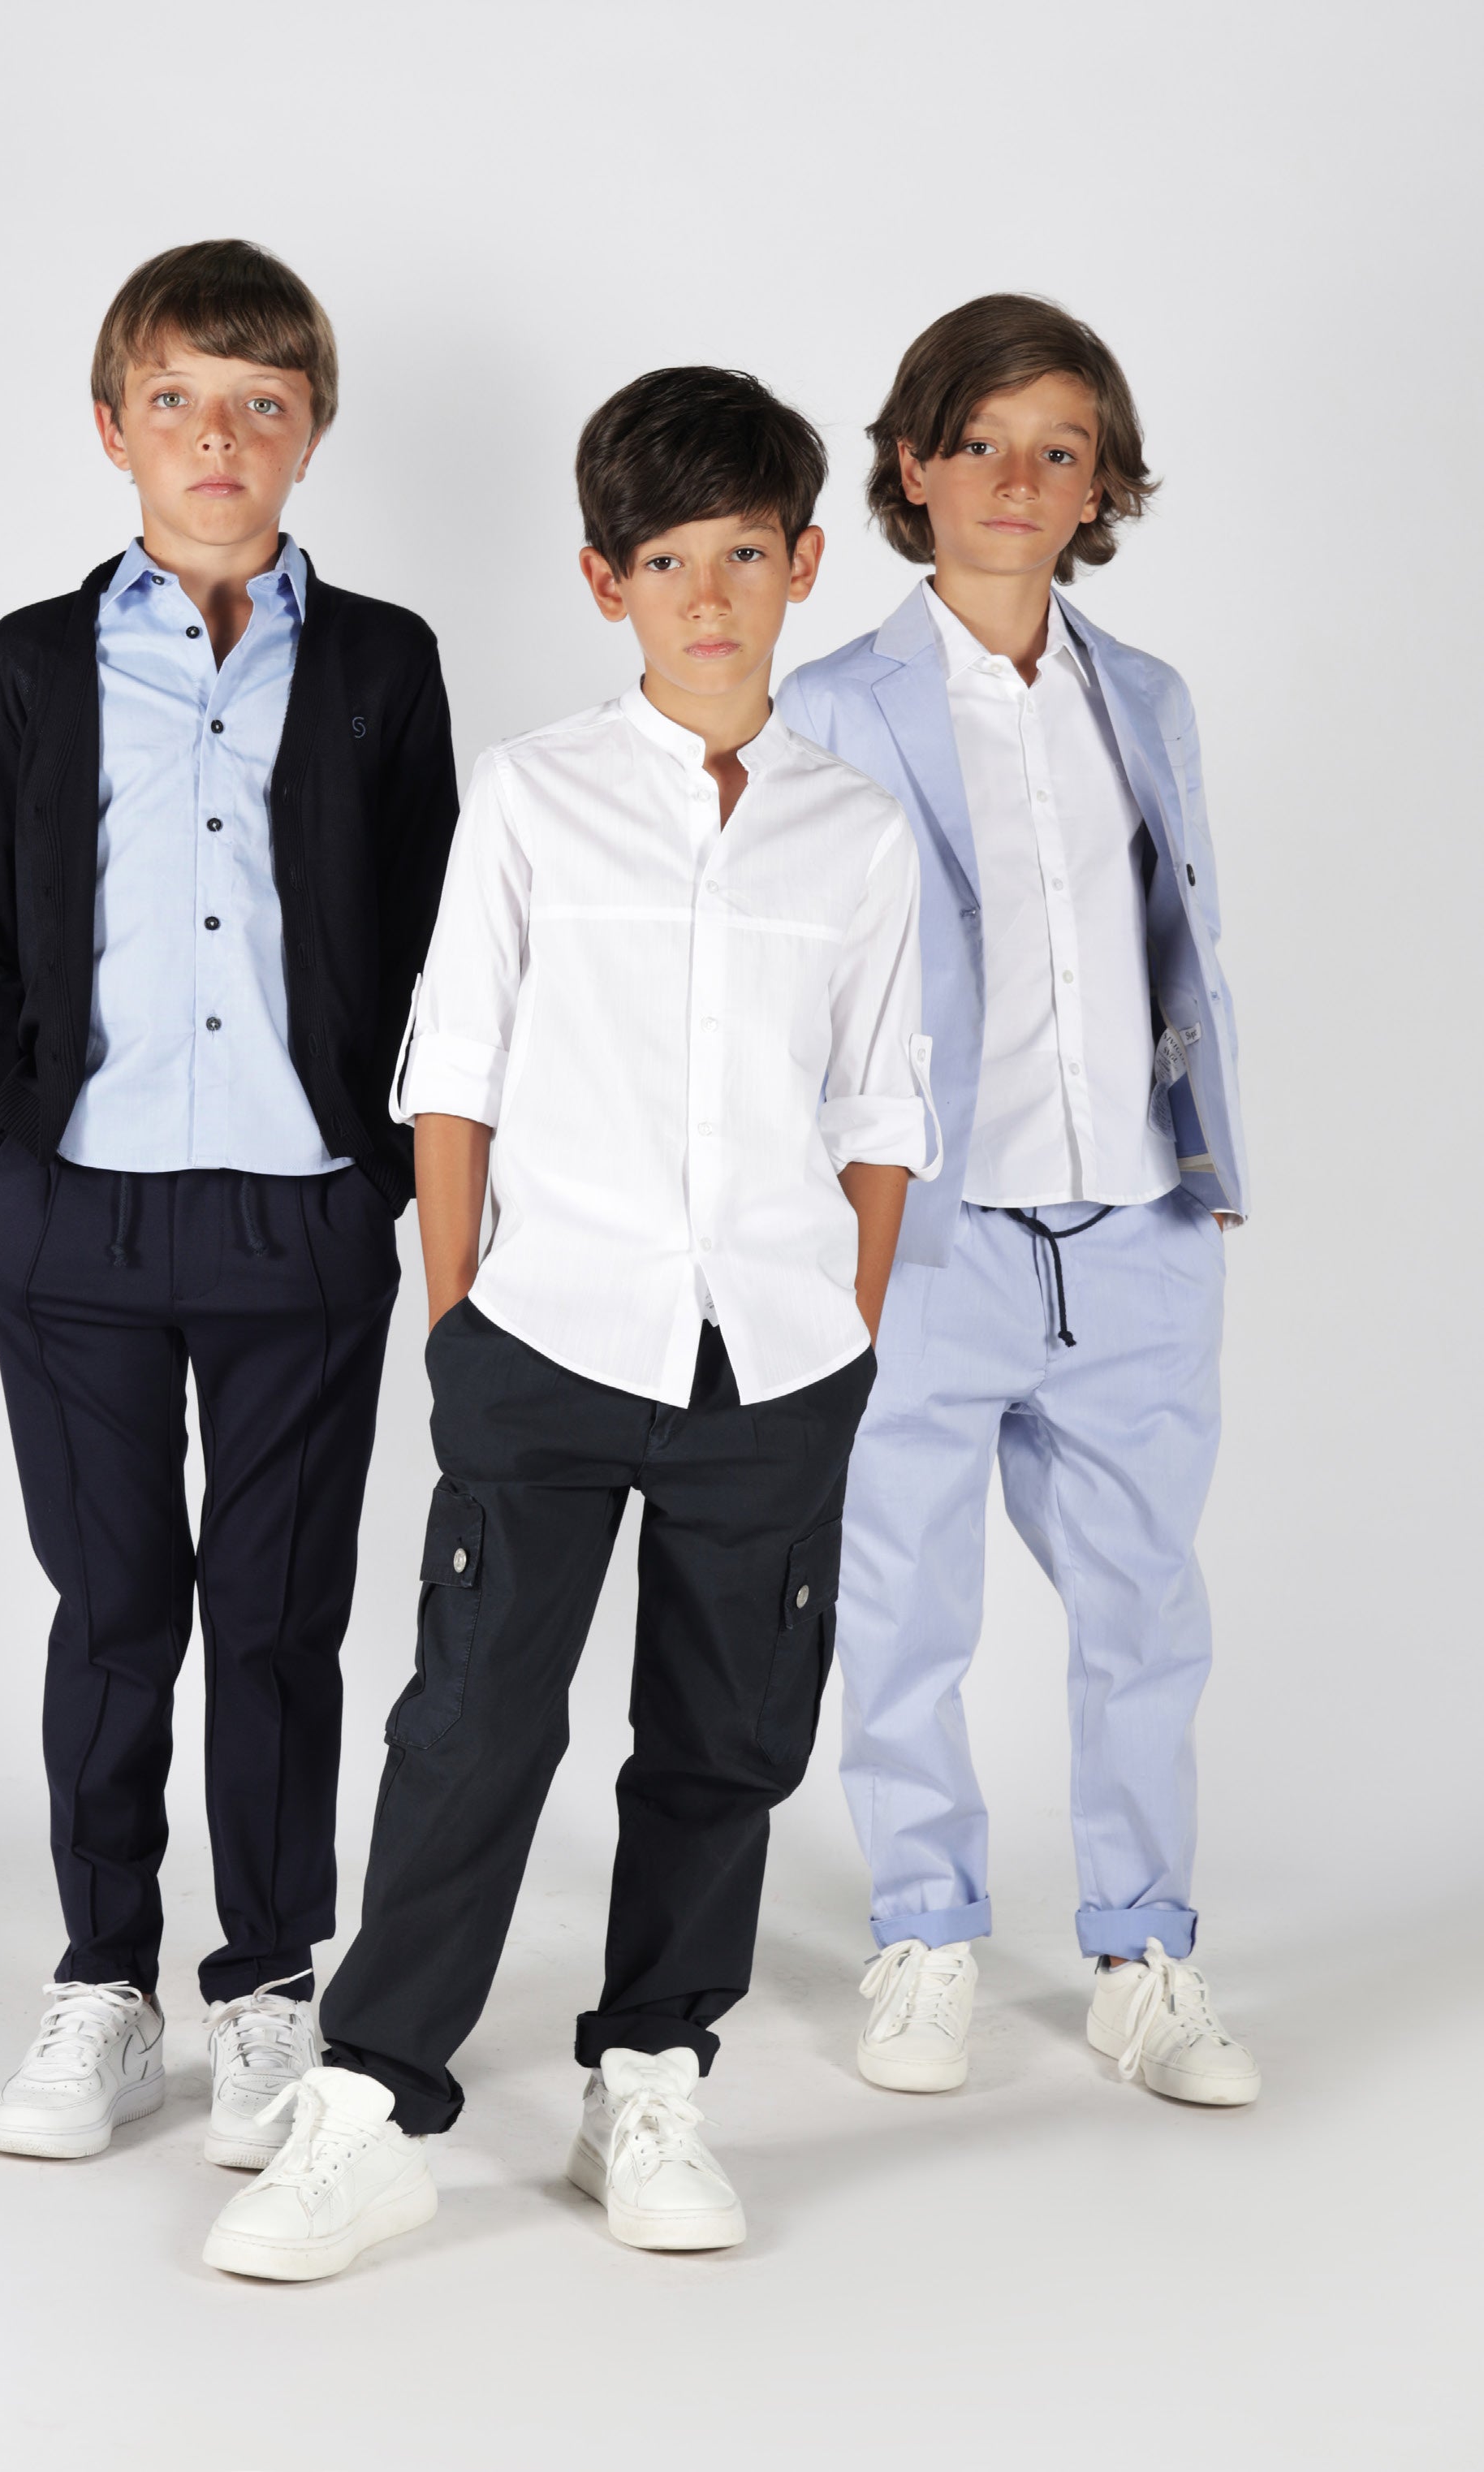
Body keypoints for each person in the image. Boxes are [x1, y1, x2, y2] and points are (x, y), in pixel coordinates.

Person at [201, 365, 941, 2282]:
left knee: (724, 1739)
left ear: (805, 565)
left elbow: (880, 1109)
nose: (711, 597)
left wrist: (845, 1330)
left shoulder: (858, 838)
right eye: (668, 561)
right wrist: (459, 1322)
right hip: (545, 1340)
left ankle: (652, 2072)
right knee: (472, 1723)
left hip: (773, 1365)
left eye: (745, 556)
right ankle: (374, 2100)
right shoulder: (536, 795)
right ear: (608, 582)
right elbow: (453, 1075)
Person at [0, 239, 459, 2168]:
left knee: (280, 1617)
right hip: (80, 1219)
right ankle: (105, 1982)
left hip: (300, 1213)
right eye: (177, 402)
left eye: (259, 405)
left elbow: (436, 938)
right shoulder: (35, 663)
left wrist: (381, 1165)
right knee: (117, 1604)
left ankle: (269, 1981)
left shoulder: (380, 662)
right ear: (113, 427)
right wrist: (9, 1148)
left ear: (310, 432)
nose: (217, 439)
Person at [777, 294, 1260, 2110]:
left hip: (1135, 1225)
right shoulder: (833, 704)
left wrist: (1210, 1158)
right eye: (978, 442)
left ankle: (1144, 1954)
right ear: (913, 467)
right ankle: (924, 1930)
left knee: (1146, 1609)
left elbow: (1182, 935)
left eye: (1059, 449)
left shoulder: (1148, 697)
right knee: (904, 1600)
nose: (1015, 477)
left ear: (1101, 484)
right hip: (928, 1233)